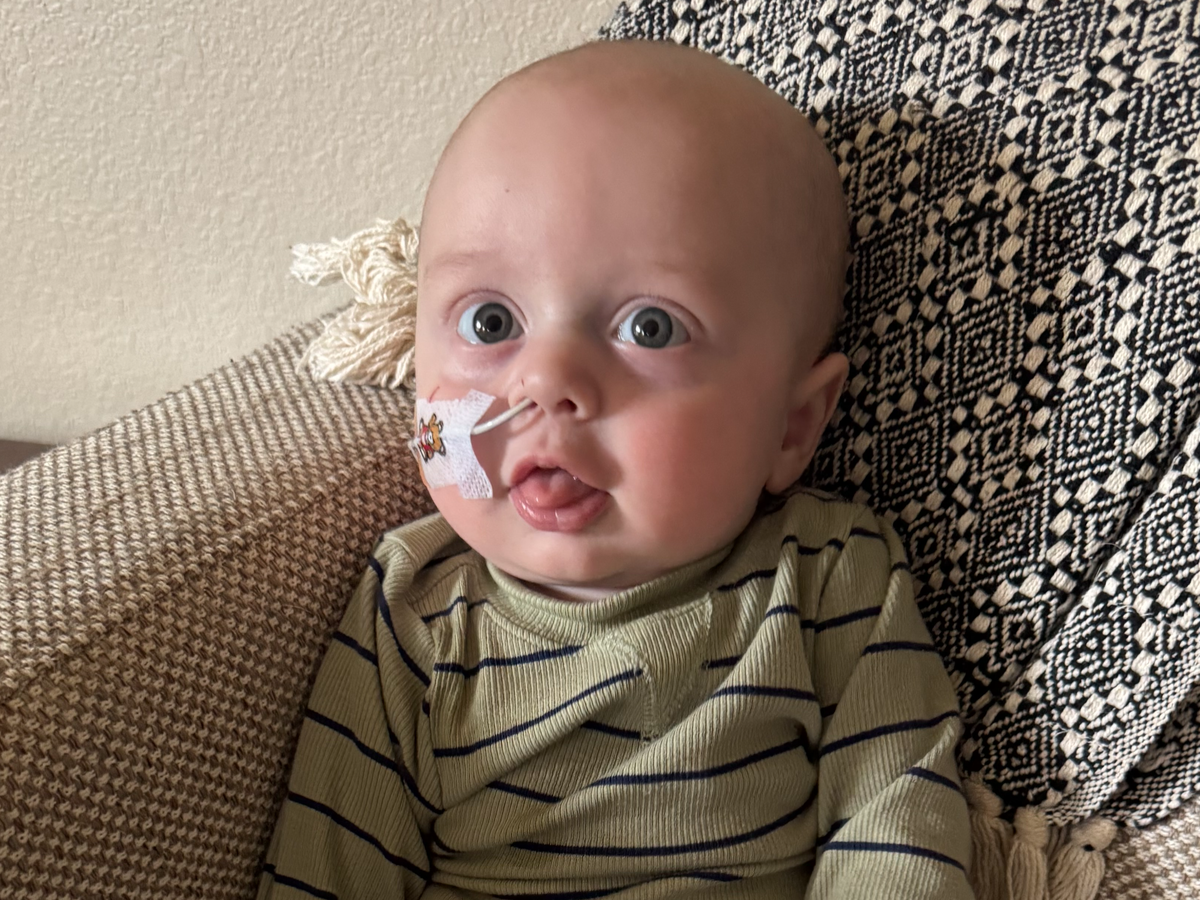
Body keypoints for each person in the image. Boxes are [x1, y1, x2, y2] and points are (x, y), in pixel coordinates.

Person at [259, 39, 972, 900]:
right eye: (490, 322)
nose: (546, 382)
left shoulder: (831, 580)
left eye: (650, 329)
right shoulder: (411, 611)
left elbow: (899, 833)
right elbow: (331, 869)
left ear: (792, 427)